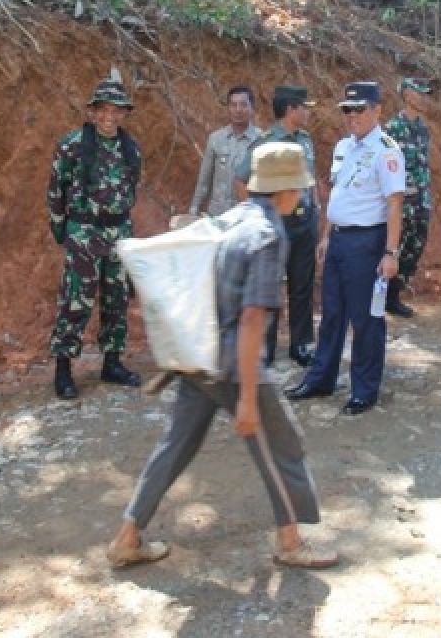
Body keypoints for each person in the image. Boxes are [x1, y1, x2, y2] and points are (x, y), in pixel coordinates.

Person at [106, 142, 338, 570]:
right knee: (280, 445)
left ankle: (127, 536)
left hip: (201, 356)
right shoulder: (268, 237)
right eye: (299, 188)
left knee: (176, 445)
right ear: (286, 191)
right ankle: (290, 542)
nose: (302, 196)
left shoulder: (230, 219)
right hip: (234, 364)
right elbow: (252, 320)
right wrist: (248, 397)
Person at [284, 82, 405, 415]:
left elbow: (395, 204)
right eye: (347, 110)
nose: (352, 116)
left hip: (367, 243)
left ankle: (364, 389)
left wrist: (391, 253)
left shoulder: (387, 150)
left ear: (377, 110)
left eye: (359, 109)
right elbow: (338, 196)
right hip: (338, 240)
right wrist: (326, 235)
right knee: (332, 315)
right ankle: (321, 378)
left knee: (366, 318)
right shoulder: (343, 147)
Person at [47, 78, 143, 400]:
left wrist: (124, 231)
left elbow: (131, 190)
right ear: (93, 112)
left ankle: (112, 363)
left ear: (124, 114)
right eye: (103, 110)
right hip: (84, 232)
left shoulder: (131, 148)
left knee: (117, 298)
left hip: (119, 233)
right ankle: (63, 369)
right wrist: (64, 231)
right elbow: (55, 191)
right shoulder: (72, 145)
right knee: (76, 299)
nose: (109, 117)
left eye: (117, 111)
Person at [235, 85, 321, 368]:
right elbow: (241, 179)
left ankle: (300, 345)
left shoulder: (306, 140)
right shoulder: (264, 142)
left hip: (304, 222)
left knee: (302, 287)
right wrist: (254, 217)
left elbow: (312, 180)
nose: (308, 112)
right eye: (304, 107)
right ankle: (266, 349)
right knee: (268, 288)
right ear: (290, 109)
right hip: (276, 223)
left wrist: (316, 212)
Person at [382, 77, 435, 317]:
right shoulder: (393, 128)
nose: (424, 97)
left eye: (425, 94)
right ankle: (384, 296)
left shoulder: (423, 129)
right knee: (396, 247)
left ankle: (395, 292)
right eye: (419, 92)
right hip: (401, 201)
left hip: (421, 200)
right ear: (407, 95)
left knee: (416, 245)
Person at [188, 85, 261, 217]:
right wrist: (194, 210)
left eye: (243, 105)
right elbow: (204, 180)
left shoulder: (261, 140)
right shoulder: (216, 139)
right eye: (233, 105)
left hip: (246, 217)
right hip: (218, 216)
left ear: (252, 108)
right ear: (228, 108)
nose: (238, 110)